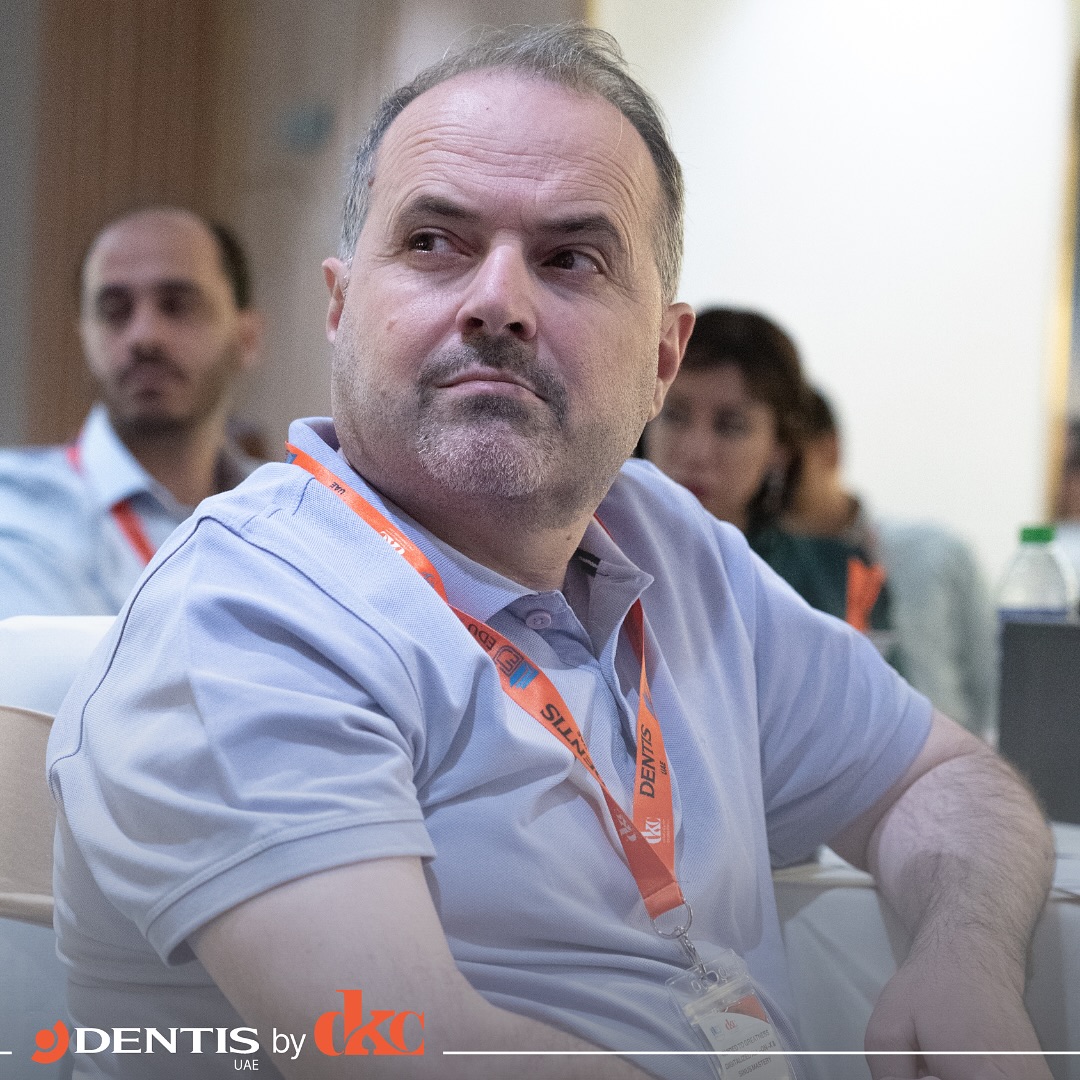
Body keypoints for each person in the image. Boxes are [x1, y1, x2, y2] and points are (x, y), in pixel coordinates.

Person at [48, 25, 1052, 1080]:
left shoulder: (666, 540)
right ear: (341, 309)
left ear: (662, 356)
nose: (498, 302)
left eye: (571, 258)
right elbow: (409, 1054)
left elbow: (940, 777)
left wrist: (965, 958)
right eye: (434, 242)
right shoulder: (247, 609)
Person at [0, 207, 263, 617]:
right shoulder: (15, 508)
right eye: (115, 310)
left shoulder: (287, 512)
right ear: (84, 337)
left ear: (245, 338)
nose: (144, 336)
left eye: (177, 306)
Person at [645, 307, 894, 639]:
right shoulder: (593, 555)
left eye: (730, 426)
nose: (696, 452)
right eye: (675, 415)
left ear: (779, 447)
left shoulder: (842, 579)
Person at [784, 387, 997, 737]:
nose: (776, 475)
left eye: (789, 457)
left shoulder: (936, 553)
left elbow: (993, 686)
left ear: (829, 450)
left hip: (946, 756)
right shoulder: (766, 572)